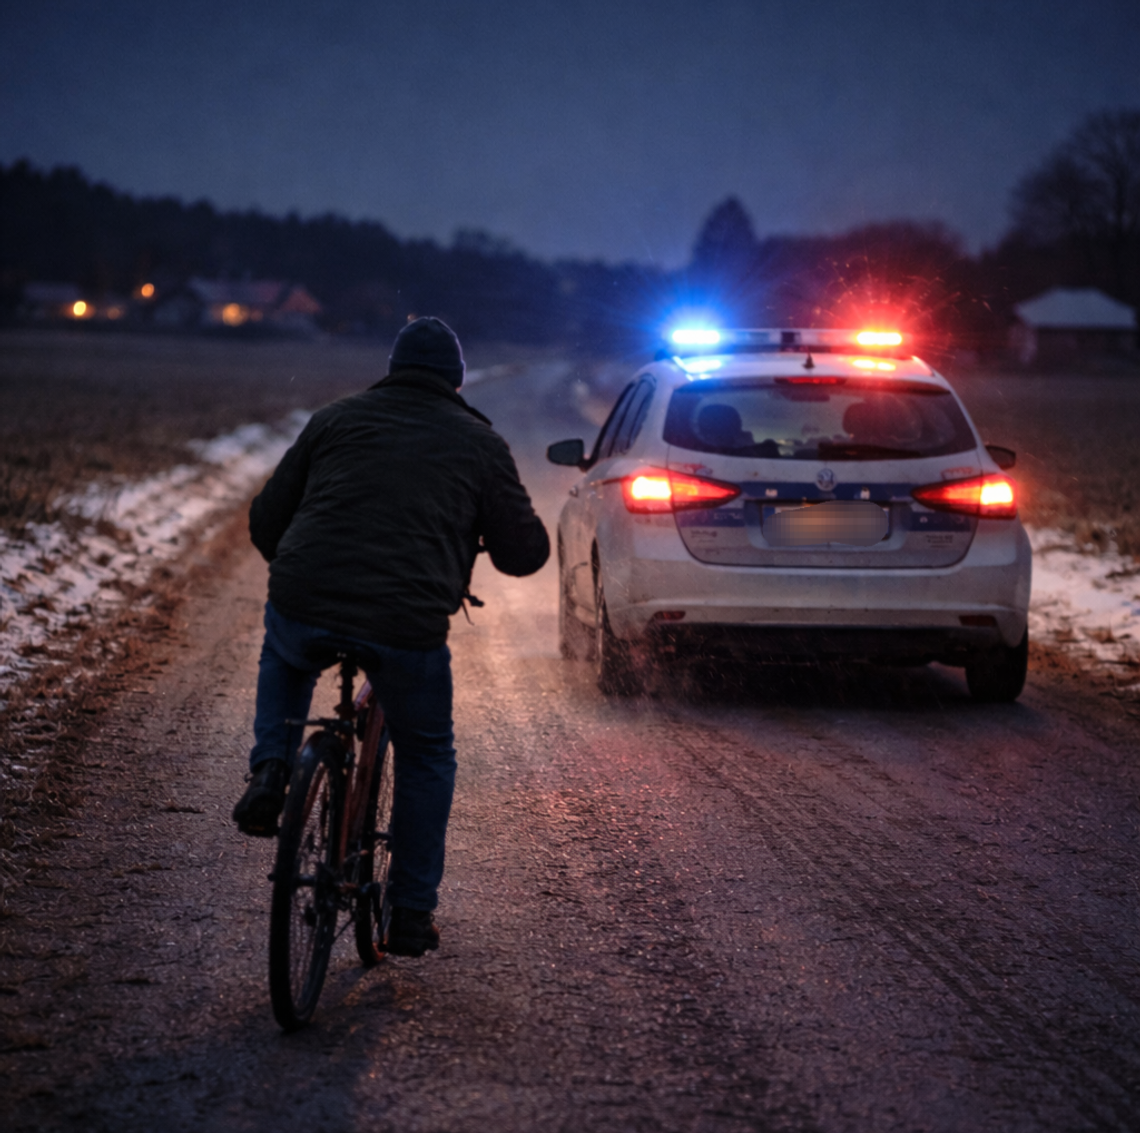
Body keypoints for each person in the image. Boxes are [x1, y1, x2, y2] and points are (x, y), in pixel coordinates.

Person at [232, 316, 549, 957]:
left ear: (391, 368)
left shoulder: (333, 420)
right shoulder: (479, 444)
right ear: (457, 381)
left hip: (307, 593)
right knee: (428, 753)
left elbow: (267, 522)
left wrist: (311, 569)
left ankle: (271, 770)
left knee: (285, 651)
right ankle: (408, 913)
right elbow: (524, 556)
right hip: (406, 625)